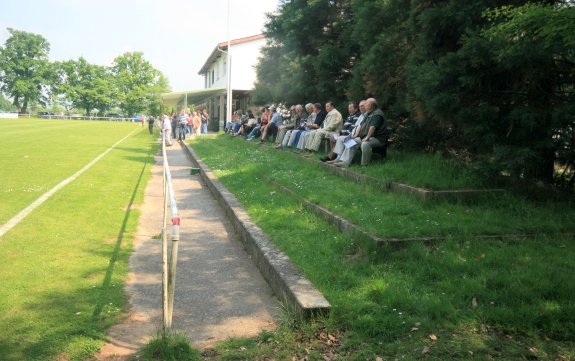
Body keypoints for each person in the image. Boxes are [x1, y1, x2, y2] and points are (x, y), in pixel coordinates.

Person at [330, 98, 385, 167]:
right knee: (351, 142)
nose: (364, 106)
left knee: (365, 144)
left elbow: (372, 127)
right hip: (365, 136)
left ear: (370, 105)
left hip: (377, 138)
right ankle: (344, 162)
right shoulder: (368, 114)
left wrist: (367, 137)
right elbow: (360, 125)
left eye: (366, 105)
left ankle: (364, 165)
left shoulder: (377, 114)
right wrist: (357, 135)